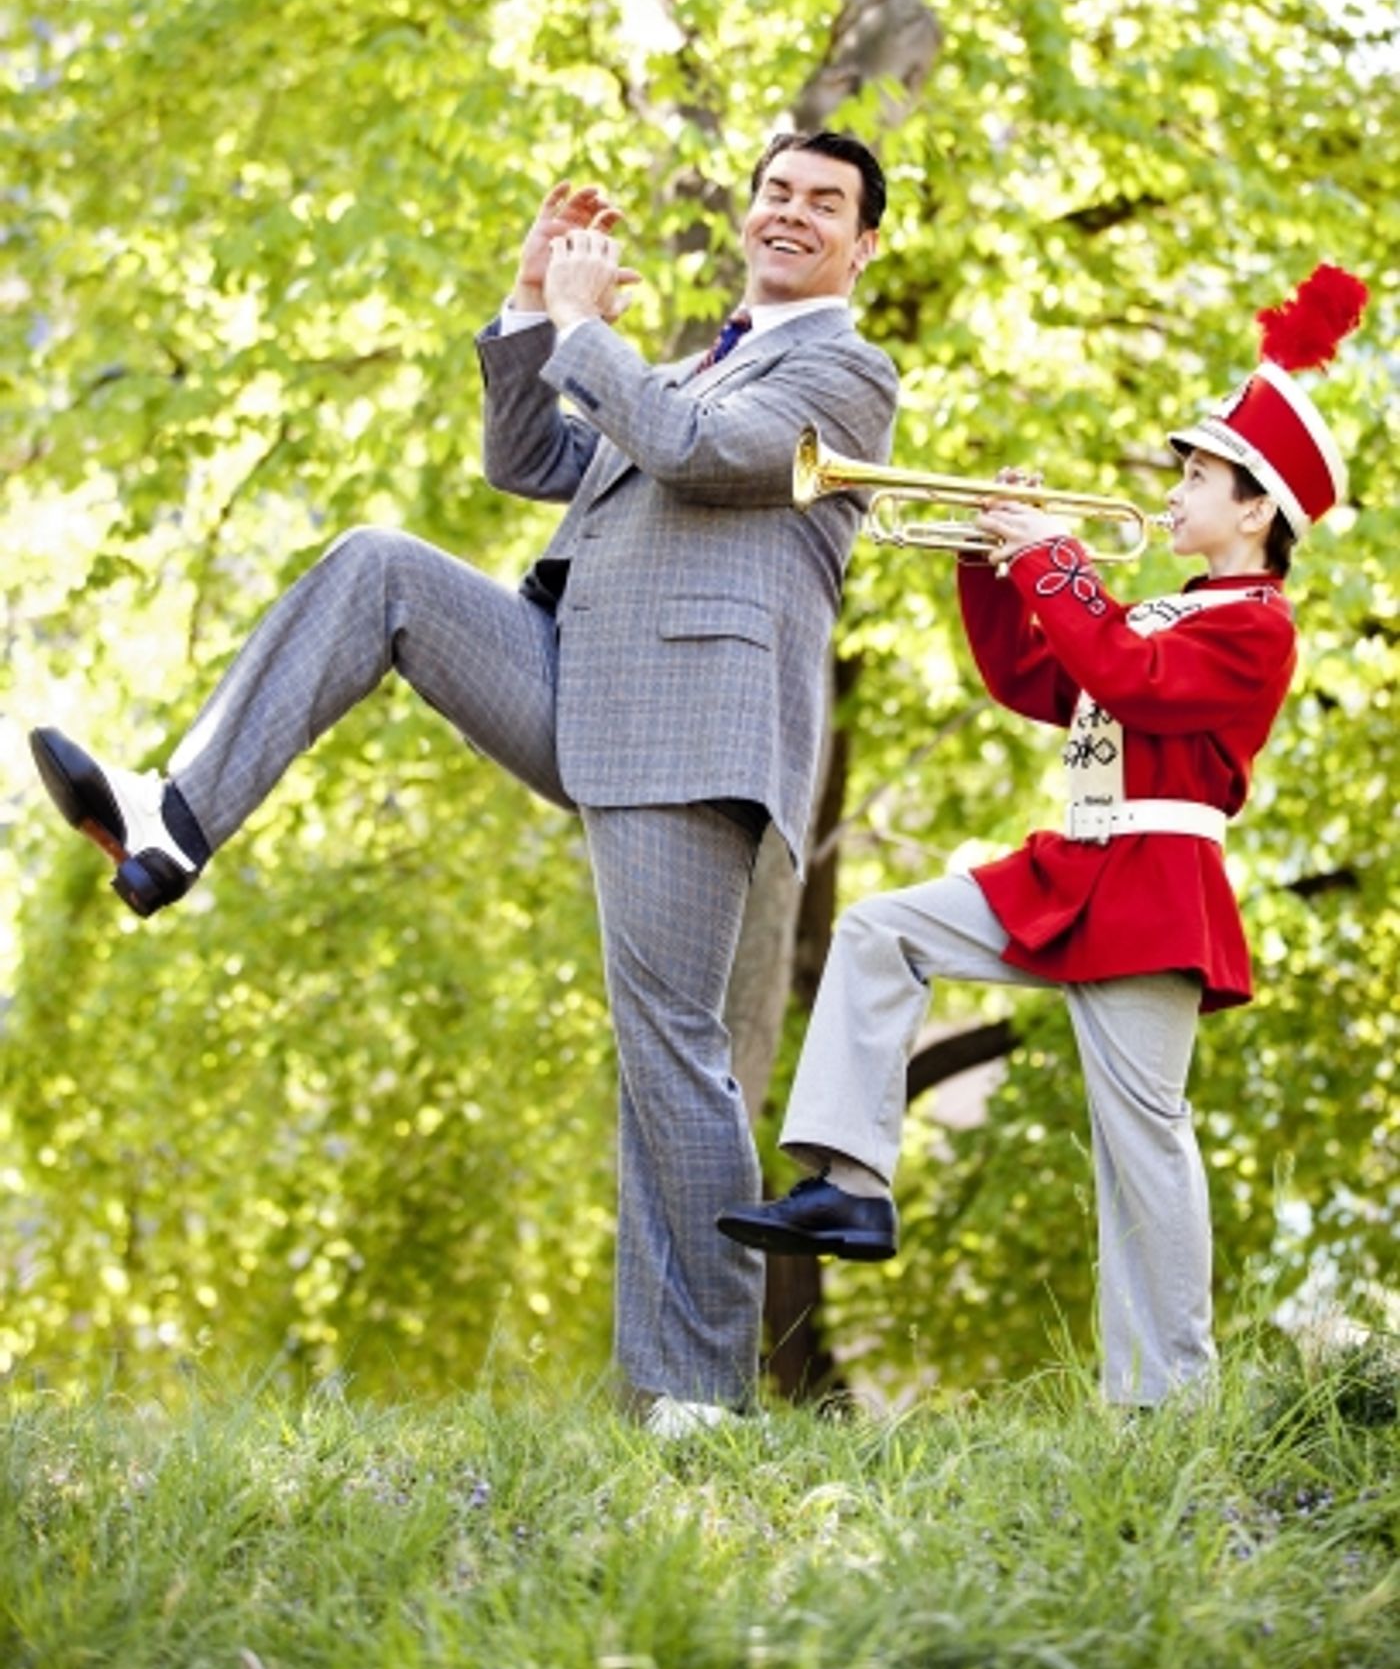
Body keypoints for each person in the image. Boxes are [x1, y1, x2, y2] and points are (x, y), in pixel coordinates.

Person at [29, 130, 900, 1434]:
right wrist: (524, 308)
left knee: (671, 1052)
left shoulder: (844, 369)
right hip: (576, 672)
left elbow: (693, 449)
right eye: (777, 189)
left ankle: (698, 1398)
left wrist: (577, 328)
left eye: (823, 202)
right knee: (381, 562)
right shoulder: (690, 362)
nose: (790, 212)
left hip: (692, 725)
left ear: (862, 244)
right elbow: (529, 461)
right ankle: (174, 816)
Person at [718, 264, 1368, 1408]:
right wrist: (987, 558)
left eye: (1195, 475)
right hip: (1071, 867)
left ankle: (1163, 1401)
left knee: (1140, 1151)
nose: (1171, 491)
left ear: (1255, 508)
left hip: (1155, 887)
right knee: (879, 932)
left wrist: (1048, 553)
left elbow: (1125, 673)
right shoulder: (1165, 604)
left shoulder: (1256, 627)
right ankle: (849, 1180)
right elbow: (1042, 675)